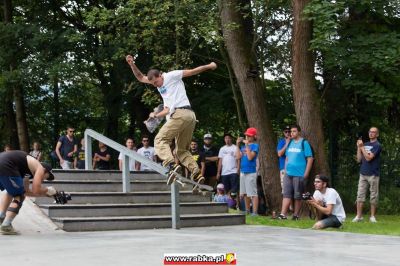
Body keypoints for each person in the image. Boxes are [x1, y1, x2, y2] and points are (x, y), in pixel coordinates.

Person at [125, 54, 217, 187]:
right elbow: (140, 78)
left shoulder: (171, 76)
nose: (155, 85)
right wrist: (131, 64)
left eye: (156, 82)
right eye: (153, 84)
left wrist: (209, 66)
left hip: (181, 114)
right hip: (189, 117)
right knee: (181, 151)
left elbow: (191, 72)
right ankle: (196, 173)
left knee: (159, 140)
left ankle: (171, 165)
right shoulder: (164, 93)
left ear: (160, 75)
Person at [0, 150, 57, 235]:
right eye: (46, 177)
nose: (44, 179)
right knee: (19, 195)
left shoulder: (27, 171)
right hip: (6, 164)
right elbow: (36, 189)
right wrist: (47, 190)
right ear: (45, 170)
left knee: (13, 191)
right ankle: (6, 225)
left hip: (3, 161)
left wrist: (45, 194)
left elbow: (26, 192)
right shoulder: (40, 168)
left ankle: (1, 217)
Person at [278, 124, 314, 220]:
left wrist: (306, 173)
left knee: (297, 196)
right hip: (288, 173)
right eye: (291, 131)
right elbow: (287, 157)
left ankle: (296, 215)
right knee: (286, 194)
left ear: (299, 132)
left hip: (299, 173)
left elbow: (310, 159)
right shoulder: (289, 143)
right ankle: (283, 214)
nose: (292, 133)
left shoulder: (304, 143)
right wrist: (285, 170)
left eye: (294, 131)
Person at [353, 127, 382, 223]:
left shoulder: (377, 145)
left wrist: (361, 147)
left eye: (373, 132)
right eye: (370, 132)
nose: (371, 133)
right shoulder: (365, 144)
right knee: (360, 195)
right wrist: (359, 147)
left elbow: (369, 158)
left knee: (373, 195)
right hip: (363, 173)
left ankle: (372, 217)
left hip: (373, 174)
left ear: (377, 134)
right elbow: (359, 159)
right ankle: (359, 216)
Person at [236, 127, 259, 216]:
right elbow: (238, 157)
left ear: (254, 137)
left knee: (252, 193)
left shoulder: (255, 146)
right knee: (245, 193)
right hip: (243, 171)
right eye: (246, 135)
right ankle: (247, 210)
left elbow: (250, 157)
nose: (247, 137)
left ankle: (255, 212)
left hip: (251, 172)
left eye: (249, 136)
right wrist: (237, 145)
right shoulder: (242, 147)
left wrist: (247, 146)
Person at [277, 126, 291, 192]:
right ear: (283, 133)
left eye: (289, 131)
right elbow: (279, 154)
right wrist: (287, 143)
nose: (288, 133)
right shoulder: (281, 142)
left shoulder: (295, 141)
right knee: (285, 190)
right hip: (284, 168)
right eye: (286, 132)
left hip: (294, 168)